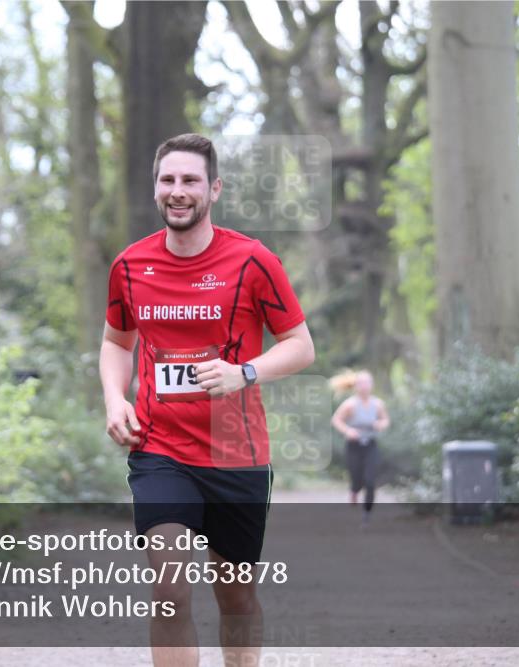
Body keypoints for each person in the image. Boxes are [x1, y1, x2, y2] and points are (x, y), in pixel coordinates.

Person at [99, 133, 315, 667]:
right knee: (169, 587)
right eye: (168, 180)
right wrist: (114, 399)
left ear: (214, 189)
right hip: (160, 449)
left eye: (191, 180)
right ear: (155, 188)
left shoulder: (253, 261)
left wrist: (244, 372)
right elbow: (116, 343)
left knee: (235, 597)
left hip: (235, 453)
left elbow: (300, 346)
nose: (178, 190)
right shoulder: (130, 266)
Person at [330, 370, 390, 525]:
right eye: (361, 383)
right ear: (356, 386)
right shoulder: (350, 404)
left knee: (370, 480)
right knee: (356, 477)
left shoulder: (378, 404)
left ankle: (367, 513)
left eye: (367, 382)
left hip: (370, 445)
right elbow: (336, 420)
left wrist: (380, 424)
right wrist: (348, 431)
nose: (364, 386)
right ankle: (354, 490)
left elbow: (386, 420)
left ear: (372, 385)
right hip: (354, 446)